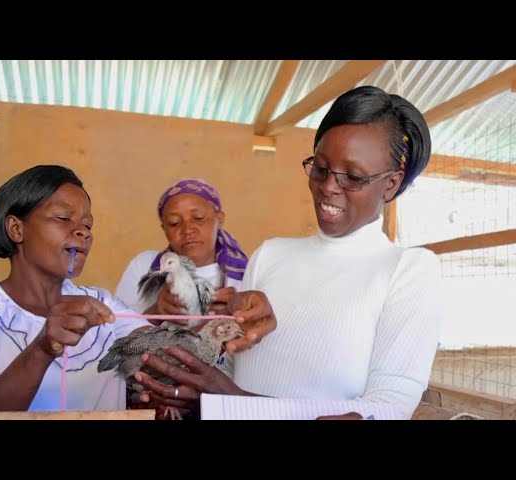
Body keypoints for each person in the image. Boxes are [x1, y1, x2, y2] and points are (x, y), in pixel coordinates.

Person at [133, 85, 444, 420]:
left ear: (392, 183)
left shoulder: (408, 270)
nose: (327, 187)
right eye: (320, 168)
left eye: (353, 177)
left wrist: (234, 401)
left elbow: (385, 409)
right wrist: (211, 346)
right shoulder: (270, 255)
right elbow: (233, 370)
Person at [0, 165, 275, 414]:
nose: (82, 232)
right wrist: (41, 350)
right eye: (64, 219)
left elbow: (166, 348)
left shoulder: (100, 306)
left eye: (87, 225)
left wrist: (229, 321)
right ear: (16, 229)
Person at [115, 178, 249, 378]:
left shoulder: (246, 276)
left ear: (219, 218)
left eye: (198, 218)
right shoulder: (145, 267)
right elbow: (114, 339)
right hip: (154, 390)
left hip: (223, 390)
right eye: (175, 223)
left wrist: (236, 316)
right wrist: (156, 311)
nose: (187, 230)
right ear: (164, 229)